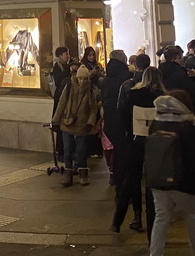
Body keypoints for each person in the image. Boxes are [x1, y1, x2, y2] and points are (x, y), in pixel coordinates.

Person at [146, 93, 195, 256]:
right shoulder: (189, 125)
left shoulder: (156, 123)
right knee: (191, 218)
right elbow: (194, 157)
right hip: (184, 181)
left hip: (159, 178)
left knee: (161, 219)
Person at [113, 66, 165, 233]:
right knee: (152, 184)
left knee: (130, 180)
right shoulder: (163, 98)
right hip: (156, 144)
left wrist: (129, 134)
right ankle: (152, 229)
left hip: (136, 141)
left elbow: (121, 118)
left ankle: (118, 219)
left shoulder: (134, 95)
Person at [52, 65, 101, 186]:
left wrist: (90, 123)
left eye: (84, 79)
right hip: (68, 122)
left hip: (82, 124)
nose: (82, 81)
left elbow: (93, 109)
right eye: (80, 78)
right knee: (68, 149)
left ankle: (83, 173)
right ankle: (68, 173)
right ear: (77, 77)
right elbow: (61, 103)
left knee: (81, 150)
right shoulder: (69, 87)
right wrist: (55, 120)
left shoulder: (90, 90)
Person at [102, 53, 132, 186]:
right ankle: (124, 182)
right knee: (125, 153)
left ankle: (115, 177)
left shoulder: (106, 79)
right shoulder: (127, 77)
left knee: (115, 150)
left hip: (109, 120)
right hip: (123, 120)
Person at [51, 47, 73, 160]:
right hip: (60, 97)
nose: (67, 56)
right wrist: (68, 68)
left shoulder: (66, 65)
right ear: (60, 55)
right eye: (65, 54)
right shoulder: (58, 67)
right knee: (60, 123)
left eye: (68, 53)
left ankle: (65, 149)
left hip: (66, 96)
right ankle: (60, 149)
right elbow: (59, 81)